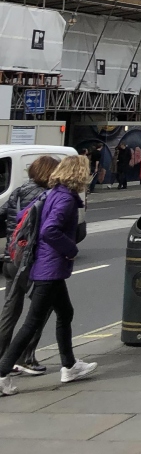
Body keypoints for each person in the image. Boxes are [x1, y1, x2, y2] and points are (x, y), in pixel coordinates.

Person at [0, 155, 97, 396]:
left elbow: (23, 216)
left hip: (46, 266)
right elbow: (49, 231)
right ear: (79, 174)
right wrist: (71, 249)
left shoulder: (53, 193)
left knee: (65, 312)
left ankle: (70, 366)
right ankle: (1, 374)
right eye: (86, 172)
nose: (88, 177)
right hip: (49, 268)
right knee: (32, 322)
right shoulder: (65, 199)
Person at [0, 154, 59, 377]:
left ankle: (2, 359)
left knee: (10, 311)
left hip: (11, 257)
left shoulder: (18, 192)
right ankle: (25, 356)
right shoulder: (46, 195)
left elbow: (2, 215)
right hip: (31, 261)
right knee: (41, 308)